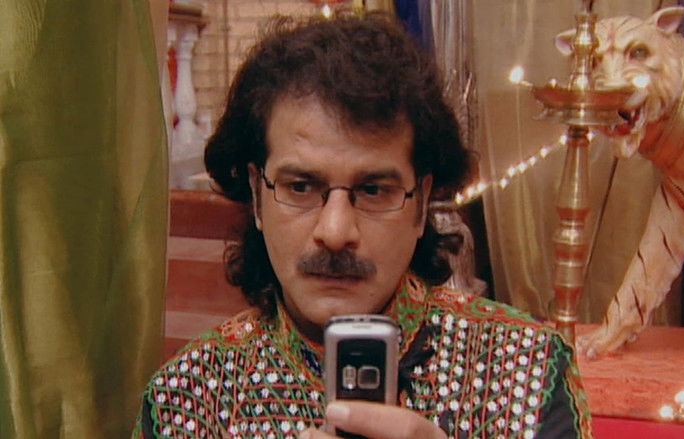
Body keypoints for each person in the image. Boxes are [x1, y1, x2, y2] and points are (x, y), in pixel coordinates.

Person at [135, 12, 591, 439]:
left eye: (373, 190)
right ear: (257, 197)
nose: (336, 232)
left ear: (421, 205)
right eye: (300, 187)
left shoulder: (523, 371)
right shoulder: (189, 400)